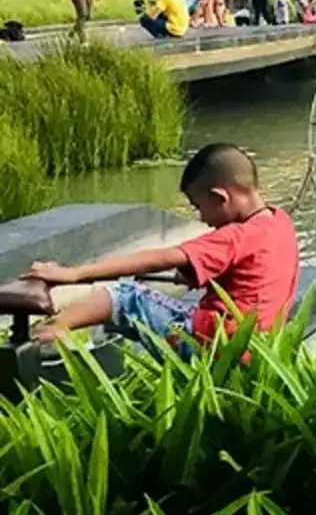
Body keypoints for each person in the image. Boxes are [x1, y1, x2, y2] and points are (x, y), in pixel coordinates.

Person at [22, 144, 300, 358]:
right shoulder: (279, 223)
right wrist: (196, 275)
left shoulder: (235, 236)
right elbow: (252, 281)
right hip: (256, 348)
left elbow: (161, 258)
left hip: (214, 344)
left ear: (220, 197)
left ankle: (49, 333)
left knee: (126, 296)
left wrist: (73, 274)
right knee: (144, 310)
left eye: (199, 206)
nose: (203, 218)